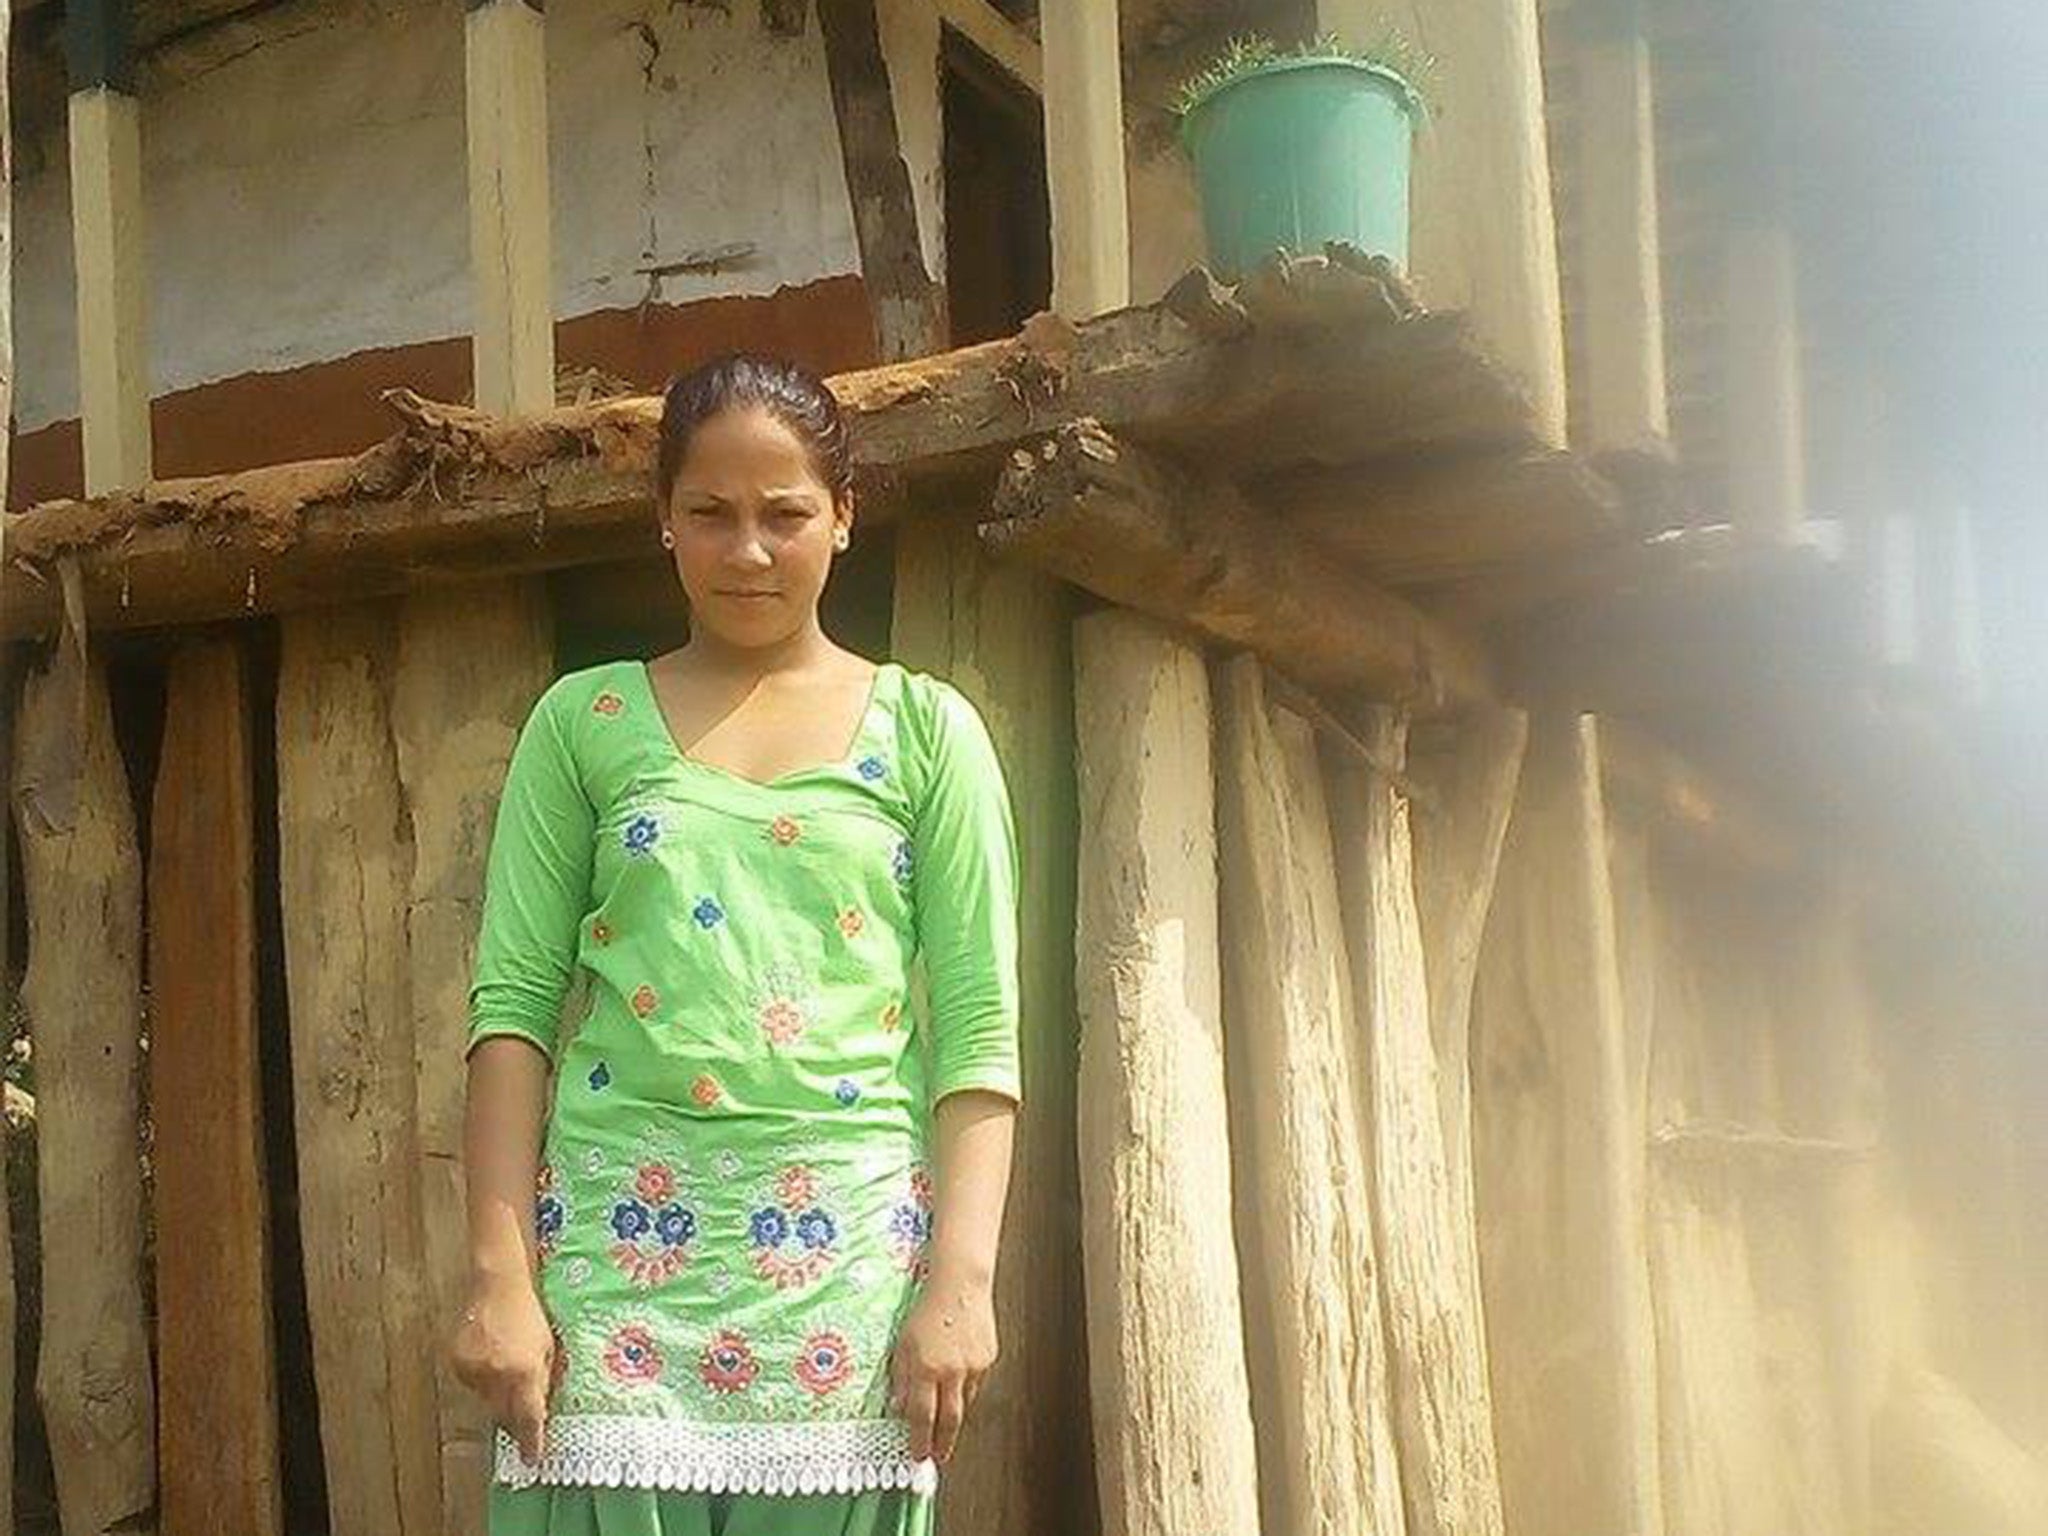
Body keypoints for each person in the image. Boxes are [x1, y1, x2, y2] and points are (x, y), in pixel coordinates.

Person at [451, 354, 1023, 1536]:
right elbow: (511, 1009)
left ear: (844, 520)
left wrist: (959, 1286)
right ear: (662, 520)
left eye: (785, 515)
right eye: (709, 513)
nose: (747, 551)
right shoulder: (583, 724)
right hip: (614, 1279)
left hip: (846, 1279)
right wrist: (501, 1283)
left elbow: (976, 1032)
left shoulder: (926, 733)